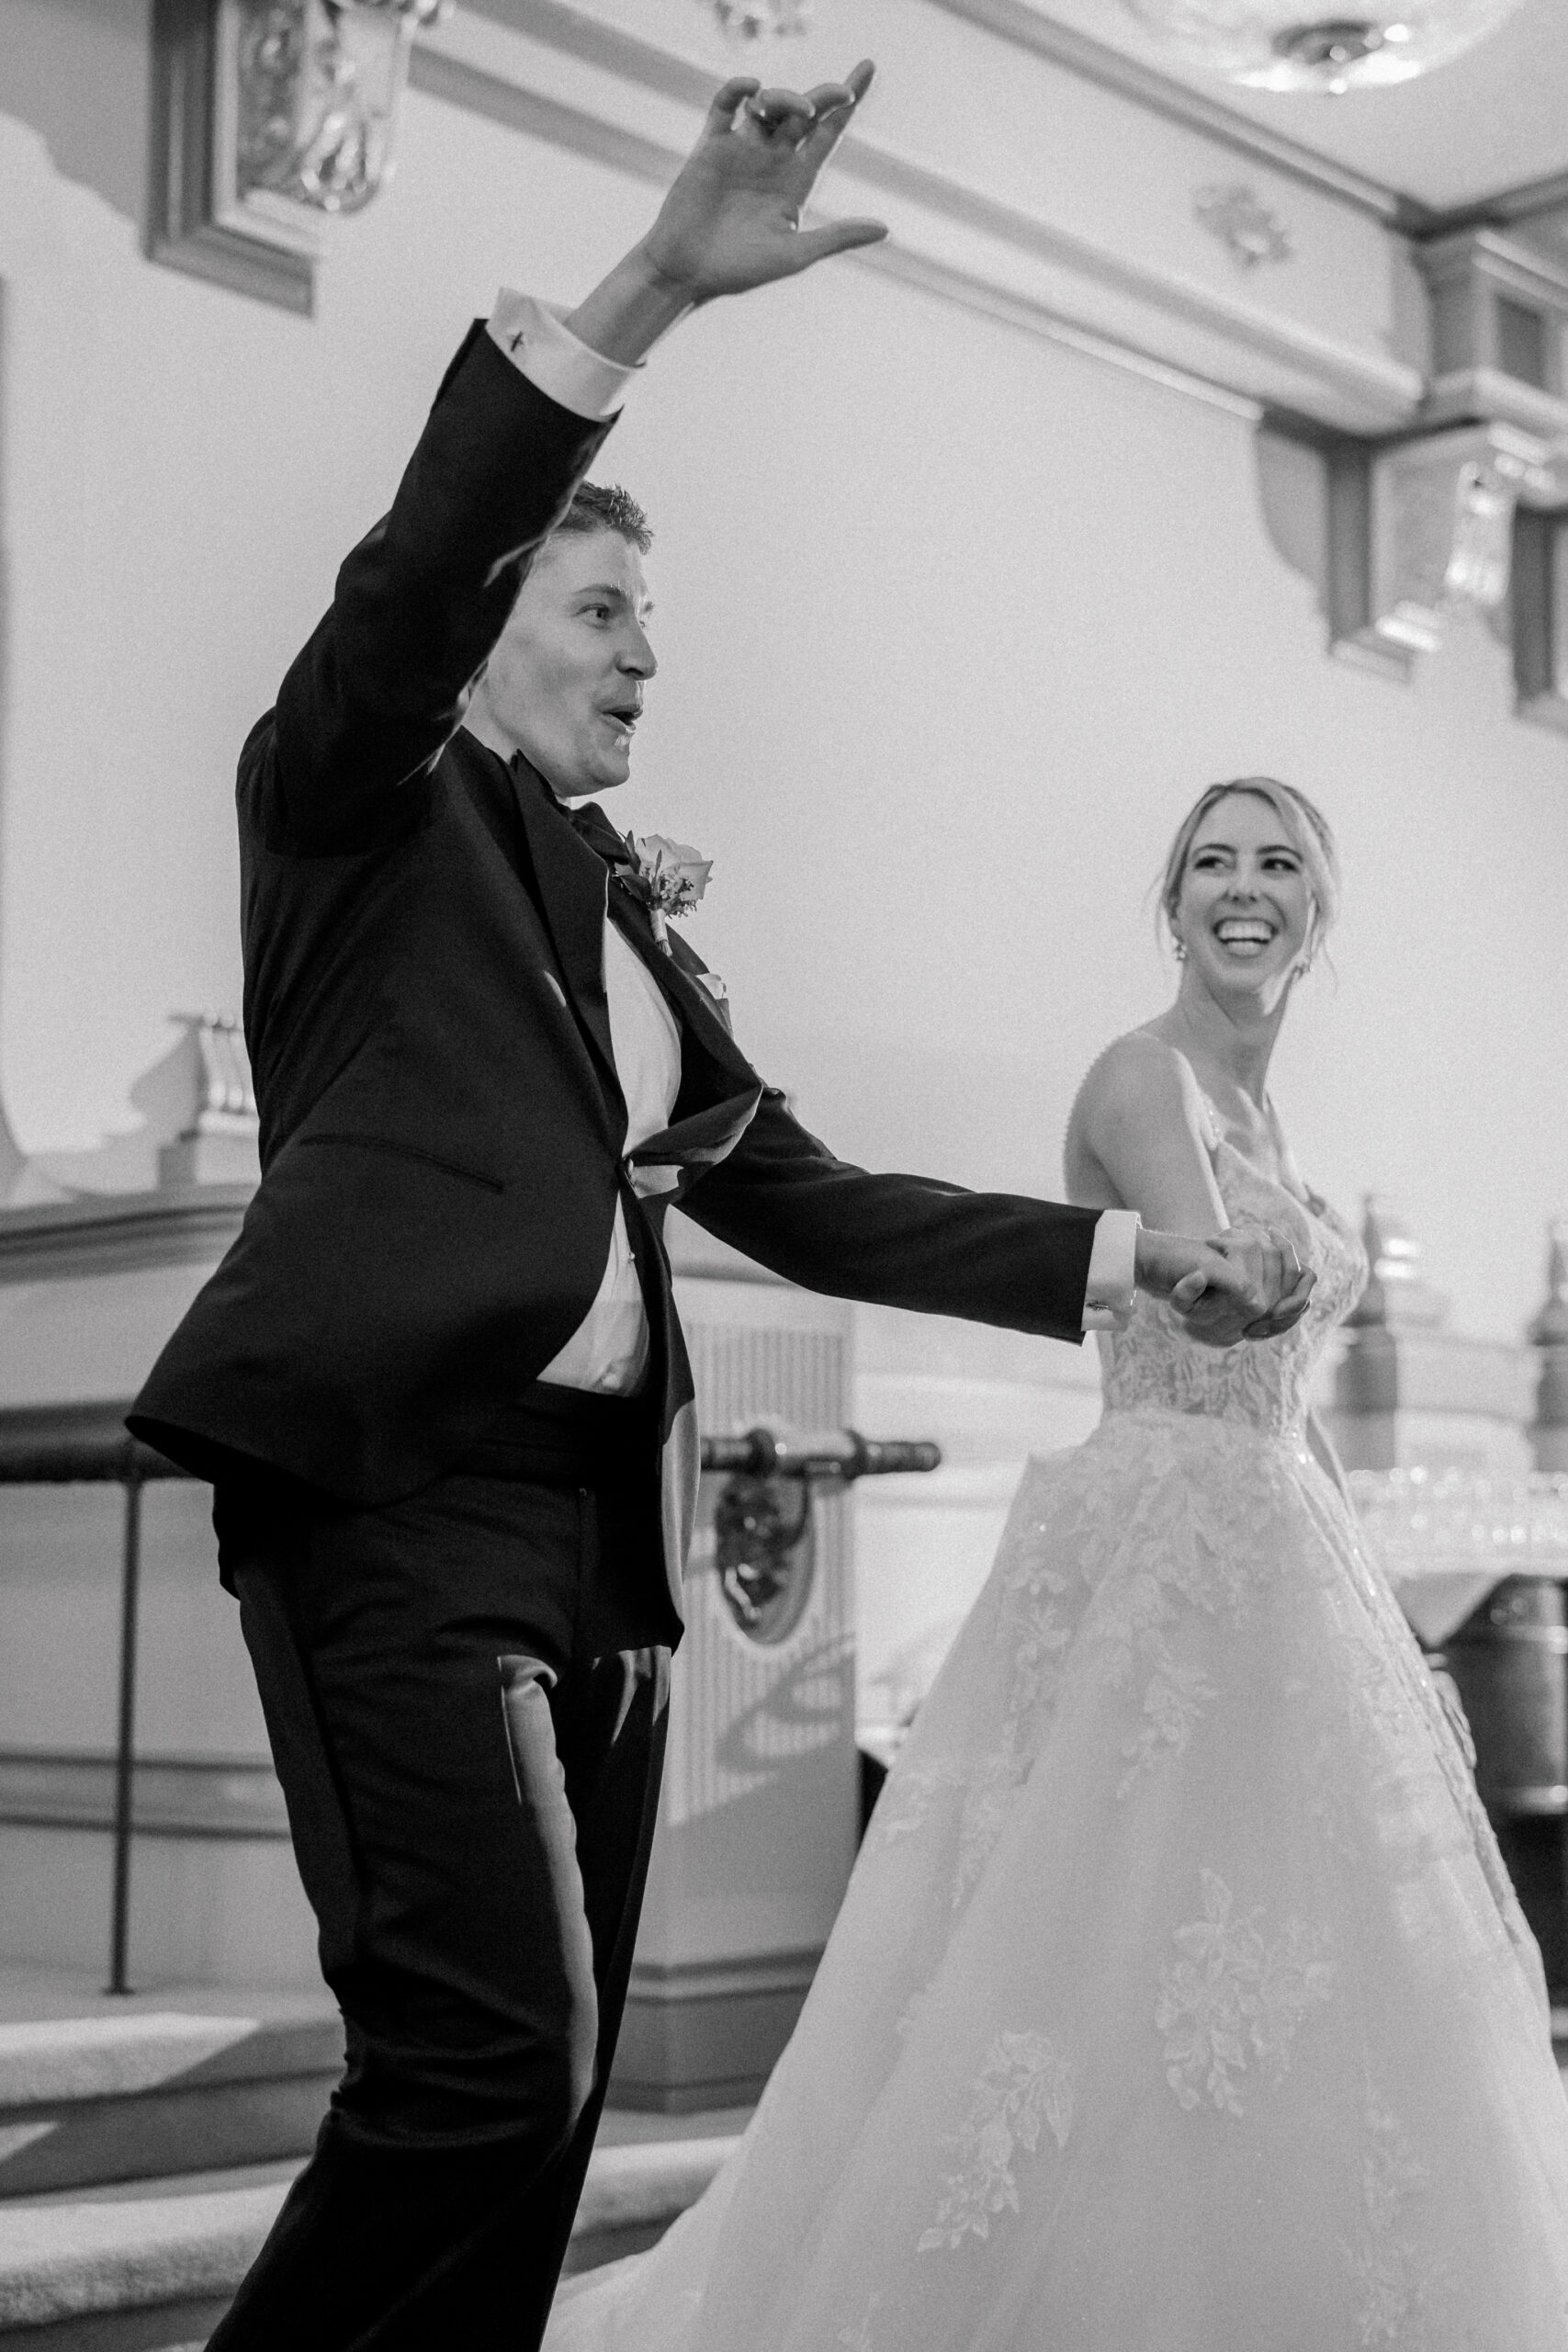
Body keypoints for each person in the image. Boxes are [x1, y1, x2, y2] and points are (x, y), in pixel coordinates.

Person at [128, 71, 1308, 2352]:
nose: (649, 652)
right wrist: (659, 277)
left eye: (656, 616)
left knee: (540, 2130)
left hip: (601, 1535)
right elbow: (416, 562)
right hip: (395, 1487)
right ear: (481, 629)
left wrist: (1114, 1257)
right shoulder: (356, 802)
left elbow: (801, 1186)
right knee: (487, 2067)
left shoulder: (618, 918)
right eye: (598, 604)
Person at [544, 778, 1568, 2351]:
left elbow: (1285, 1405)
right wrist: (1255, 1281)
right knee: (1113, 1947)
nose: (1244, 887)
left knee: (1304, 1966)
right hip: (1162, 1552)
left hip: (1285, 1550)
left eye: (1278, 863)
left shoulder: (1274, 1111)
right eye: (1213, 863)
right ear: (1172, 905)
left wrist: (1374, 1605)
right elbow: (1207, 1280)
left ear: (1318, 912)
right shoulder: (1142, 1078)